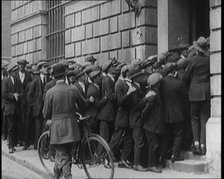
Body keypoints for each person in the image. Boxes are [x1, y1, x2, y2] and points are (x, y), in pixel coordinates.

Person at [43, 63, 93, 179]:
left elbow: (45, 113)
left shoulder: (50, 92)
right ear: (65, 74)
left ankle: (67, 176)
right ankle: (57, 175)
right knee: (66, 155)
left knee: (62, 155)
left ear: (54, 77)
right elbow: (83, 104)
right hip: (72, 128)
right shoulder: (73, 89)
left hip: (57, 129)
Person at [184, 36, 210, 155]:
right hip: (205, 91)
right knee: (204, 119)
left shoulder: (192, 60)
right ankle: (204, 145)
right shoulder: (208, 59)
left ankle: (196, 144)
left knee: (194, 119)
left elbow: (186, 77)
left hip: (194, 92)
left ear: (197, 49)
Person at [109, 65, 135, 168]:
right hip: (122, 116)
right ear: (126, 73)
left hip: (128, 116)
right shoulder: (119, 84)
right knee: (116, 139)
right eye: (130, 73)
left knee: (129, 139)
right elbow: (119, 101)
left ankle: (123, 159)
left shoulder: (125, 82)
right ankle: (107, 158)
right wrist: (129, 93)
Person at [127, 61, 148, 171]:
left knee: (138, 141)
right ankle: (137, 164)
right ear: (136, 77)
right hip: (135, 119)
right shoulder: (134, 89)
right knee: (139, 141)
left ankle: (139, 162)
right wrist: (147, 97)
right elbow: (138, 104)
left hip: (136, 118)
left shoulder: (137, 86)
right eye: (140, 76)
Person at [142, 72, 164, 173]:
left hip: (152, 124)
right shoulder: (152, 95)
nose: (160, 84)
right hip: (151, 125)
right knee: (153, 145)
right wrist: (143, 120)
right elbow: (145, 111)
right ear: (155, 84)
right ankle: (152, 165)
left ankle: (153, 163)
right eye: (158, 83)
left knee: (153, 144)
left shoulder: (152, 92)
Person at [98, 59, 117, 168]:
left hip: (108, 113)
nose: (114, 68)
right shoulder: (107, 80)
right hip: (106, 113)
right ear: (109, 68)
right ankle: (103, 158)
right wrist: (119, 98)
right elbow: (110, 95)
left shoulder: (109, 79)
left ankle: (103, 157)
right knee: (104, 137)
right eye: (112, 66)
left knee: (106, 136)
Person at [27, 61, 50, 149]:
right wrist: (35, 105)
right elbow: (29, 97)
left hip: (47, 108)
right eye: (44, 67)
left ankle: (45, 147)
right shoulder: (35, 82)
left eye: (47, 67)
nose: (46, 68)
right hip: (39, 110)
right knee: (38, 128)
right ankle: (38, 147)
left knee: (46, 128)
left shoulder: (49, 80)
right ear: (40, 69)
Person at [2, 63, 24, 153]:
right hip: (10, 108)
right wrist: (13, 95)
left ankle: (14, 144)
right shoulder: (6, 81)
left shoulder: (18, 81)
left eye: (16, 71)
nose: (16, 72)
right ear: (10, 72)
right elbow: (4, 94)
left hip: (17, 108)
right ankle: (10, 146)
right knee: (10, 128)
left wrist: (19, 95)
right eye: (14, 71)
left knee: (15, 127)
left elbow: (22, 91)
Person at [16, 59, 32, 149]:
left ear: (25, 66)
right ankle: (18, 140)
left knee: (26, 122)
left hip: (26, 103)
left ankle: (26, 142)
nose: (21, 66)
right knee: (18, 122)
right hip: (17, 103)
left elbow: (30, 88)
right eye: (20, 65)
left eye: (23, 65)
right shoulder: (15, 75)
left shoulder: (29, 75)